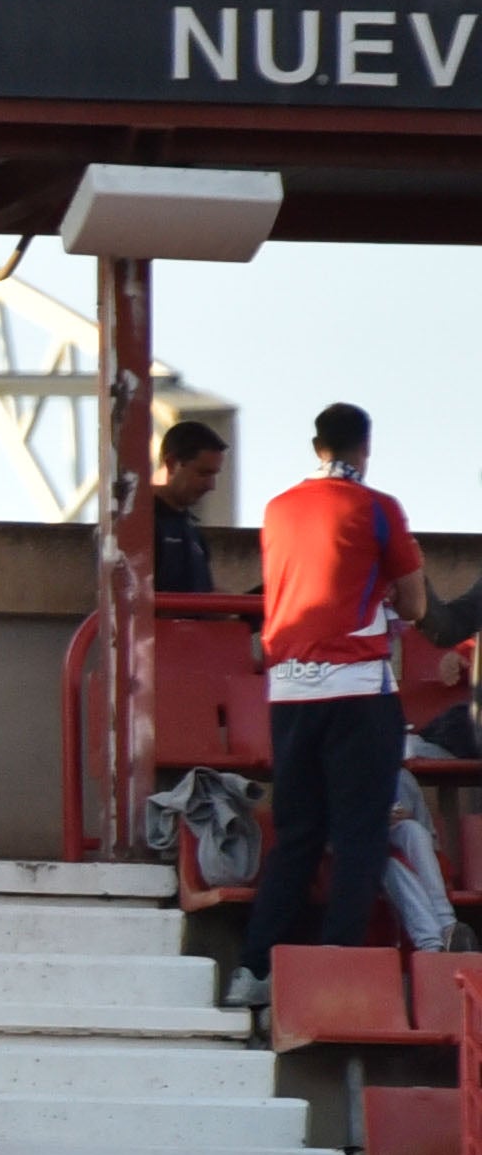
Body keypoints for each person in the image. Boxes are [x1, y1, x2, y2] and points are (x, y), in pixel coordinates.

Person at [229, 401, 433, 1007]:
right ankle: (335, 968)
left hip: (289, 690)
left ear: (316, 446)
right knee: (360, 834)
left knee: (297, 836)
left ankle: (254, 970)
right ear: (364, 448)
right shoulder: (378, 508)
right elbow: (418, 605)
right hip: (359, 690)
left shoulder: (278, 508)